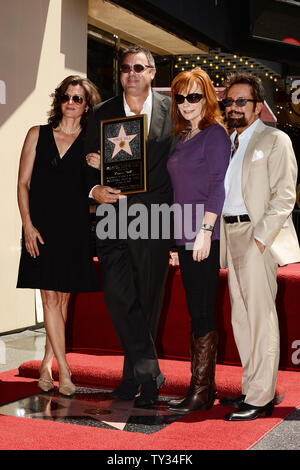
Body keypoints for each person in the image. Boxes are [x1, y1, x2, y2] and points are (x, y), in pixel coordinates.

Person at [84, 45, 176, 407]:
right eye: (126, 68)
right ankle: (149, 374)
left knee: (147, 300)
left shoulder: (174, 111)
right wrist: (94, 186)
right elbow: (83, 164)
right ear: (119, 73)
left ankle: (135, 380)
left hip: (154, 217)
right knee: (120, 298)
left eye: (140, 67)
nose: (132, 74)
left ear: (153, 72)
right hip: (111, 217)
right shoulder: (103, 112)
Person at [219, 72, 300, 421]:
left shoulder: (275, 139)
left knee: (261, 319)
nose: (234, 108)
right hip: (229, 234)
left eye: (242, 102)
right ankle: (251, 388)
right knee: (241, 319)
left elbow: (285, 196)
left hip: (256, 237)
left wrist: (261, 238)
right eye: (229, 102)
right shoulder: (226, 143)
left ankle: (262, 396)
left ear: (257, 106)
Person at [17, 75, 101, 396]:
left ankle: (45, 364)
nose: (70, 102)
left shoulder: (91, 145)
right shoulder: (37, 134)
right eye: (66, 96)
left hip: (75, 229)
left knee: (63, 299)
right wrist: (27, 225)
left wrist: (102, 165)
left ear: (86, 106)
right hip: (41, 229)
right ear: (59, 100)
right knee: (49, 297)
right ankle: (64, 371)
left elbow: (98, 190)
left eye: (77, 98)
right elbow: (22, 184)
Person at [166, 69, 231, 413]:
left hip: (203, 236)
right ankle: (203, 387)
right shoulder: (184, 137)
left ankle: (201, 391)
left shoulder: (214, 135)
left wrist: (205, 232)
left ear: (207, 98)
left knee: (202, 310)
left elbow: (218, 185)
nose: (187, 104)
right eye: (181, 97)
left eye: (194, 96)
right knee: (197, 310)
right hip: (184, 236)